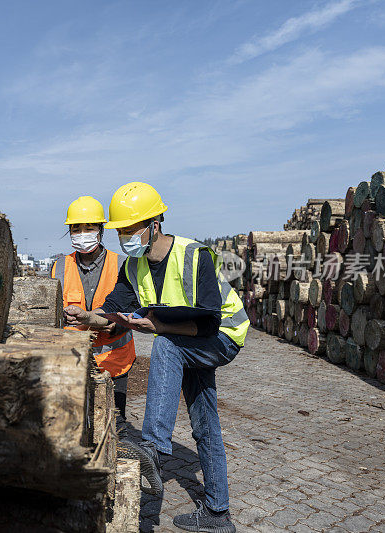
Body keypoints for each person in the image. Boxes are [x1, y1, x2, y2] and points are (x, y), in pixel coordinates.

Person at [64, 182, 249, 533]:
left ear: (155, 223)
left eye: (132, 229)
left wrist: (159, 326)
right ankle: (217, 513)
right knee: (205, 422)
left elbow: (210, 322)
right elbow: (115, 309)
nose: (125, 237)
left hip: (222, 335)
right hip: (187, 342)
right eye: (121, 231)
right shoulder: (134, 267)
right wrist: (91, 317)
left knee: (165, 344)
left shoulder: (194, 255)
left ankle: (154, 446)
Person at [51, 196, 136, 422]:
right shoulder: (59, 267)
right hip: (72, 362)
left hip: (114, 363)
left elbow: (128, 316)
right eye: (76, 229)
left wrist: (105, 324)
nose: (82, 233)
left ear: (101, 230)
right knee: (74, 422)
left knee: (113, 425)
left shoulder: (121, 265)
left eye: (89, 228)